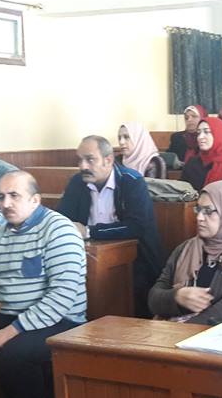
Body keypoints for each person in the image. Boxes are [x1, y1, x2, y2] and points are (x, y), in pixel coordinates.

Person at [0, 171, 87, 398]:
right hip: (10, 314)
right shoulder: (1, 234)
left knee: (12, 354)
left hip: (60, 320)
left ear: (35, 200)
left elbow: (60, 298)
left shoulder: (59, 230)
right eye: (1, 197)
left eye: (14, 196)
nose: (5, 204)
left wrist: (7, 333)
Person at [57, 135, 163, 317]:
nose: (83, 166)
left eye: (90, 159)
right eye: (80, 160)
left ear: (108, 160)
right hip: (86, 257)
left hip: (135, 260)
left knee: (129, 296)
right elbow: (62, 219)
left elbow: (137, 227)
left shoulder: (131, 181)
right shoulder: (77, 182)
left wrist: (90, 231)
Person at [149, 180, 222, 323]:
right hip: (171, 328)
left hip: (213, 332)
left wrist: (187, 329)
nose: (199, 218)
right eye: (198, 209)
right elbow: (154, 298)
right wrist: (176, 296)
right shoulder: (185, 248)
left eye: (208, 211)